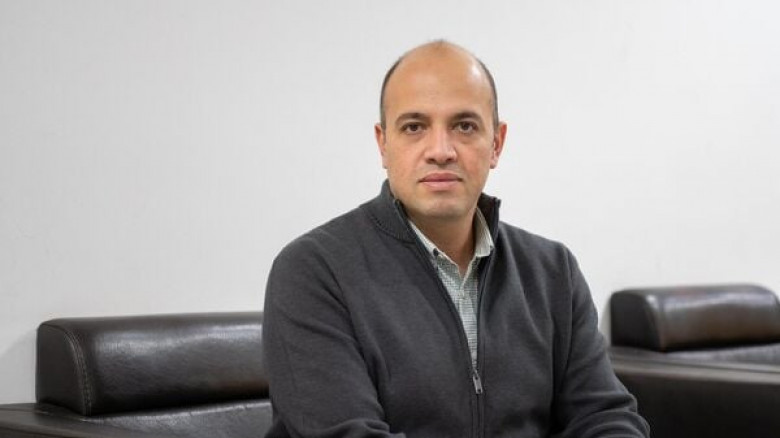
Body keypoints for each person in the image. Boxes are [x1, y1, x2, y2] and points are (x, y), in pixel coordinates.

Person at [263, 40, 649, 438]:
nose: (441, 151)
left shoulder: (553, 272)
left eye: (464, 126)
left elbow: (605, 417)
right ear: (383, 144)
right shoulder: (314, 272)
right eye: (414, 127)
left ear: (496, 143)